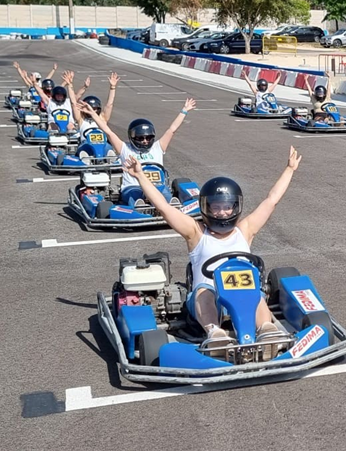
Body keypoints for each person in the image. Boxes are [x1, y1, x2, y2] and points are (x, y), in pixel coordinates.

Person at [122, 147, 301, 352]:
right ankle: (215, 334)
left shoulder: (245, 230)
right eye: (216, 207)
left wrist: (289, 169)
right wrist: (140, 176)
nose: (222, 213)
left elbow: (271, 200)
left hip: (242, 294)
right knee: (205, 292)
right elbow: (164, 207)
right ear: (206, 208)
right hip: (206, 297)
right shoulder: (196, 233)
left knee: (255, 293)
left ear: (236, 208)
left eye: (227, 207)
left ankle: (267, 329)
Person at [78, 97, 197, 205]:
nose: (145, 141)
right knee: (135, 196)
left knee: (165, 194)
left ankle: (170, 205)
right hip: (133, 187)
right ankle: (139, 207)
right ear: (133, 137)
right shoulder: (125, 149)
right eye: (141, 138)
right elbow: (108, 132)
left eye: (148, 138)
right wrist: (93, 114)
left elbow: (172, 129)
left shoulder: (158, 147)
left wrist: (184, 111)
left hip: (157, 187)